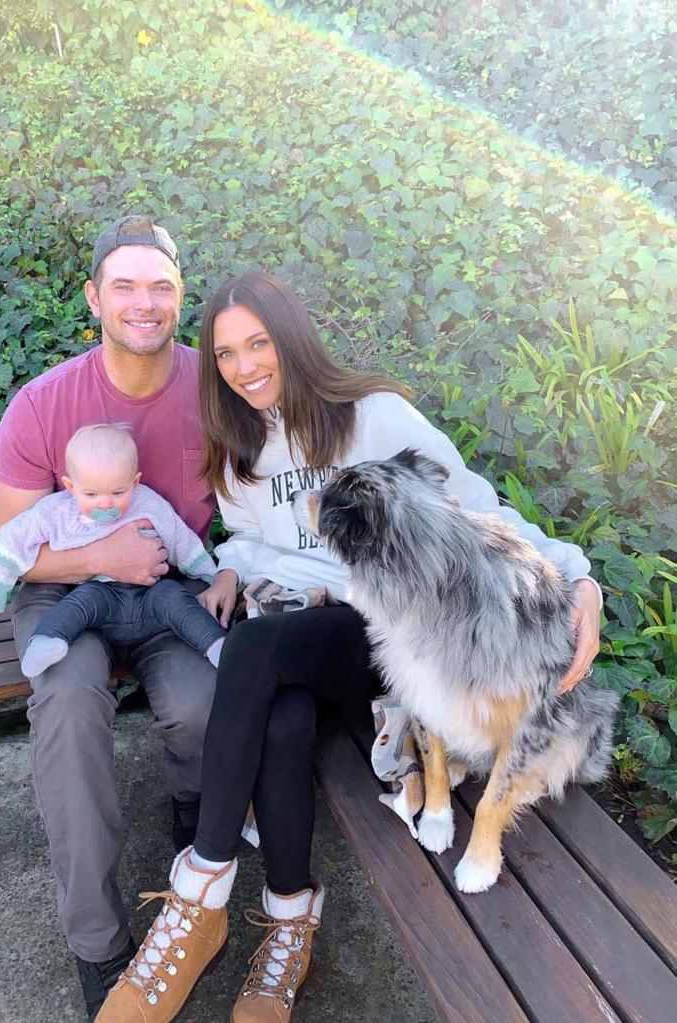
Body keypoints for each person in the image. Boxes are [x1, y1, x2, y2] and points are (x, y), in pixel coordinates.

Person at [96, 269, 602, 1023]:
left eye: (258, 343)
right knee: (284, 715)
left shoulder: (375, 416)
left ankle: (198, 892)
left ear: (291, 338)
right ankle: (290, 919)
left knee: (255, 652)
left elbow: (473, 504)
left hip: (394, 633)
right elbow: (246, 535)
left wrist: (577, 574)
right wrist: (232, 566)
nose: (244, 367)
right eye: (226, 353)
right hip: (305, 623)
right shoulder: (239, 441)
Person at [0, 216, 235, 1021]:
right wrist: (102, 560)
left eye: (160, 285)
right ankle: (97, 939)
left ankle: (194, 811)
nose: (144, 301)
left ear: (180, 296)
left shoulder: (215, 390)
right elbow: (8, 549)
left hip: (166, 584)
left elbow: (270, 494)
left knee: (204, 702)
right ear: (94, 297)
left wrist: (235, 562)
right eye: (124, 284)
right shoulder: (44, 404)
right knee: (66, 702)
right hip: (64, 592)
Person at [0, 423, 226, 675]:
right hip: (103, 601)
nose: (105, 503)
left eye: (117, 492)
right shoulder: (57, 513)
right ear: (71, 487)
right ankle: (47, 642)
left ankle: (216, 646)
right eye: (92, 494)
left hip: (150, 599)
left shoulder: (148, 504)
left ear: (135, 482)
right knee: (79, 602)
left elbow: (181, 541)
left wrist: (210, 577)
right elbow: (12, 540)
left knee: (174, 596)